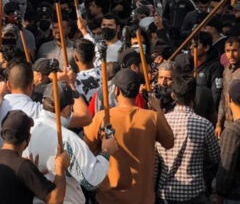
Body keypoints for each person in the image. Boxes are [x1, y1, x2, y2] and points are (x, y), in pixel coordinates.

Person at [84, 69, 173, 204]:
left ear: (116, 91)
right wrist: (158, 110)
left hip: (109, 197)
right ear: (137, 92)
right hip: (142, 197)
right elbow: (169, 142)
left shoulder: (102, 117)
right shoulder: (152, 117)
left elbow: (86, 150)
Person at [25, 83, 111, 204]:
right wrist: (106, 152)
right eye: (71, 109)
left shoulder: (28, 129)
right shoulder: (68, 139)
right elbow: (91, 181)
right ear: (66, 110)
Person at [0, 110, 69, 204]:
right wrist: (60, 167)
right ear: (28, 138)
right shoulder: (23, 167)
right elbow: (55, 200)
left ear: (2, 134)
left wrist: (32, 175)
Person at [156, 74, 219, 203]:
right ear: (194, 96)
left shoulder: (161, 122)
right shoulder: (204, 125)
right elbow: (215, 157)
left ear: (173, 95)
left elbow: (155, 161)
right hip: (193, 193)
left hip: (166, 193)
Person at [216, 37, 240, 138]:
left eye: (234, 50)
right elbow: (223, 97)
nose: (231, 55)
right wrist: (219, 123)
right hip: (227, 123)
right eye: (227, 51)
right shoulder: (226, 70)